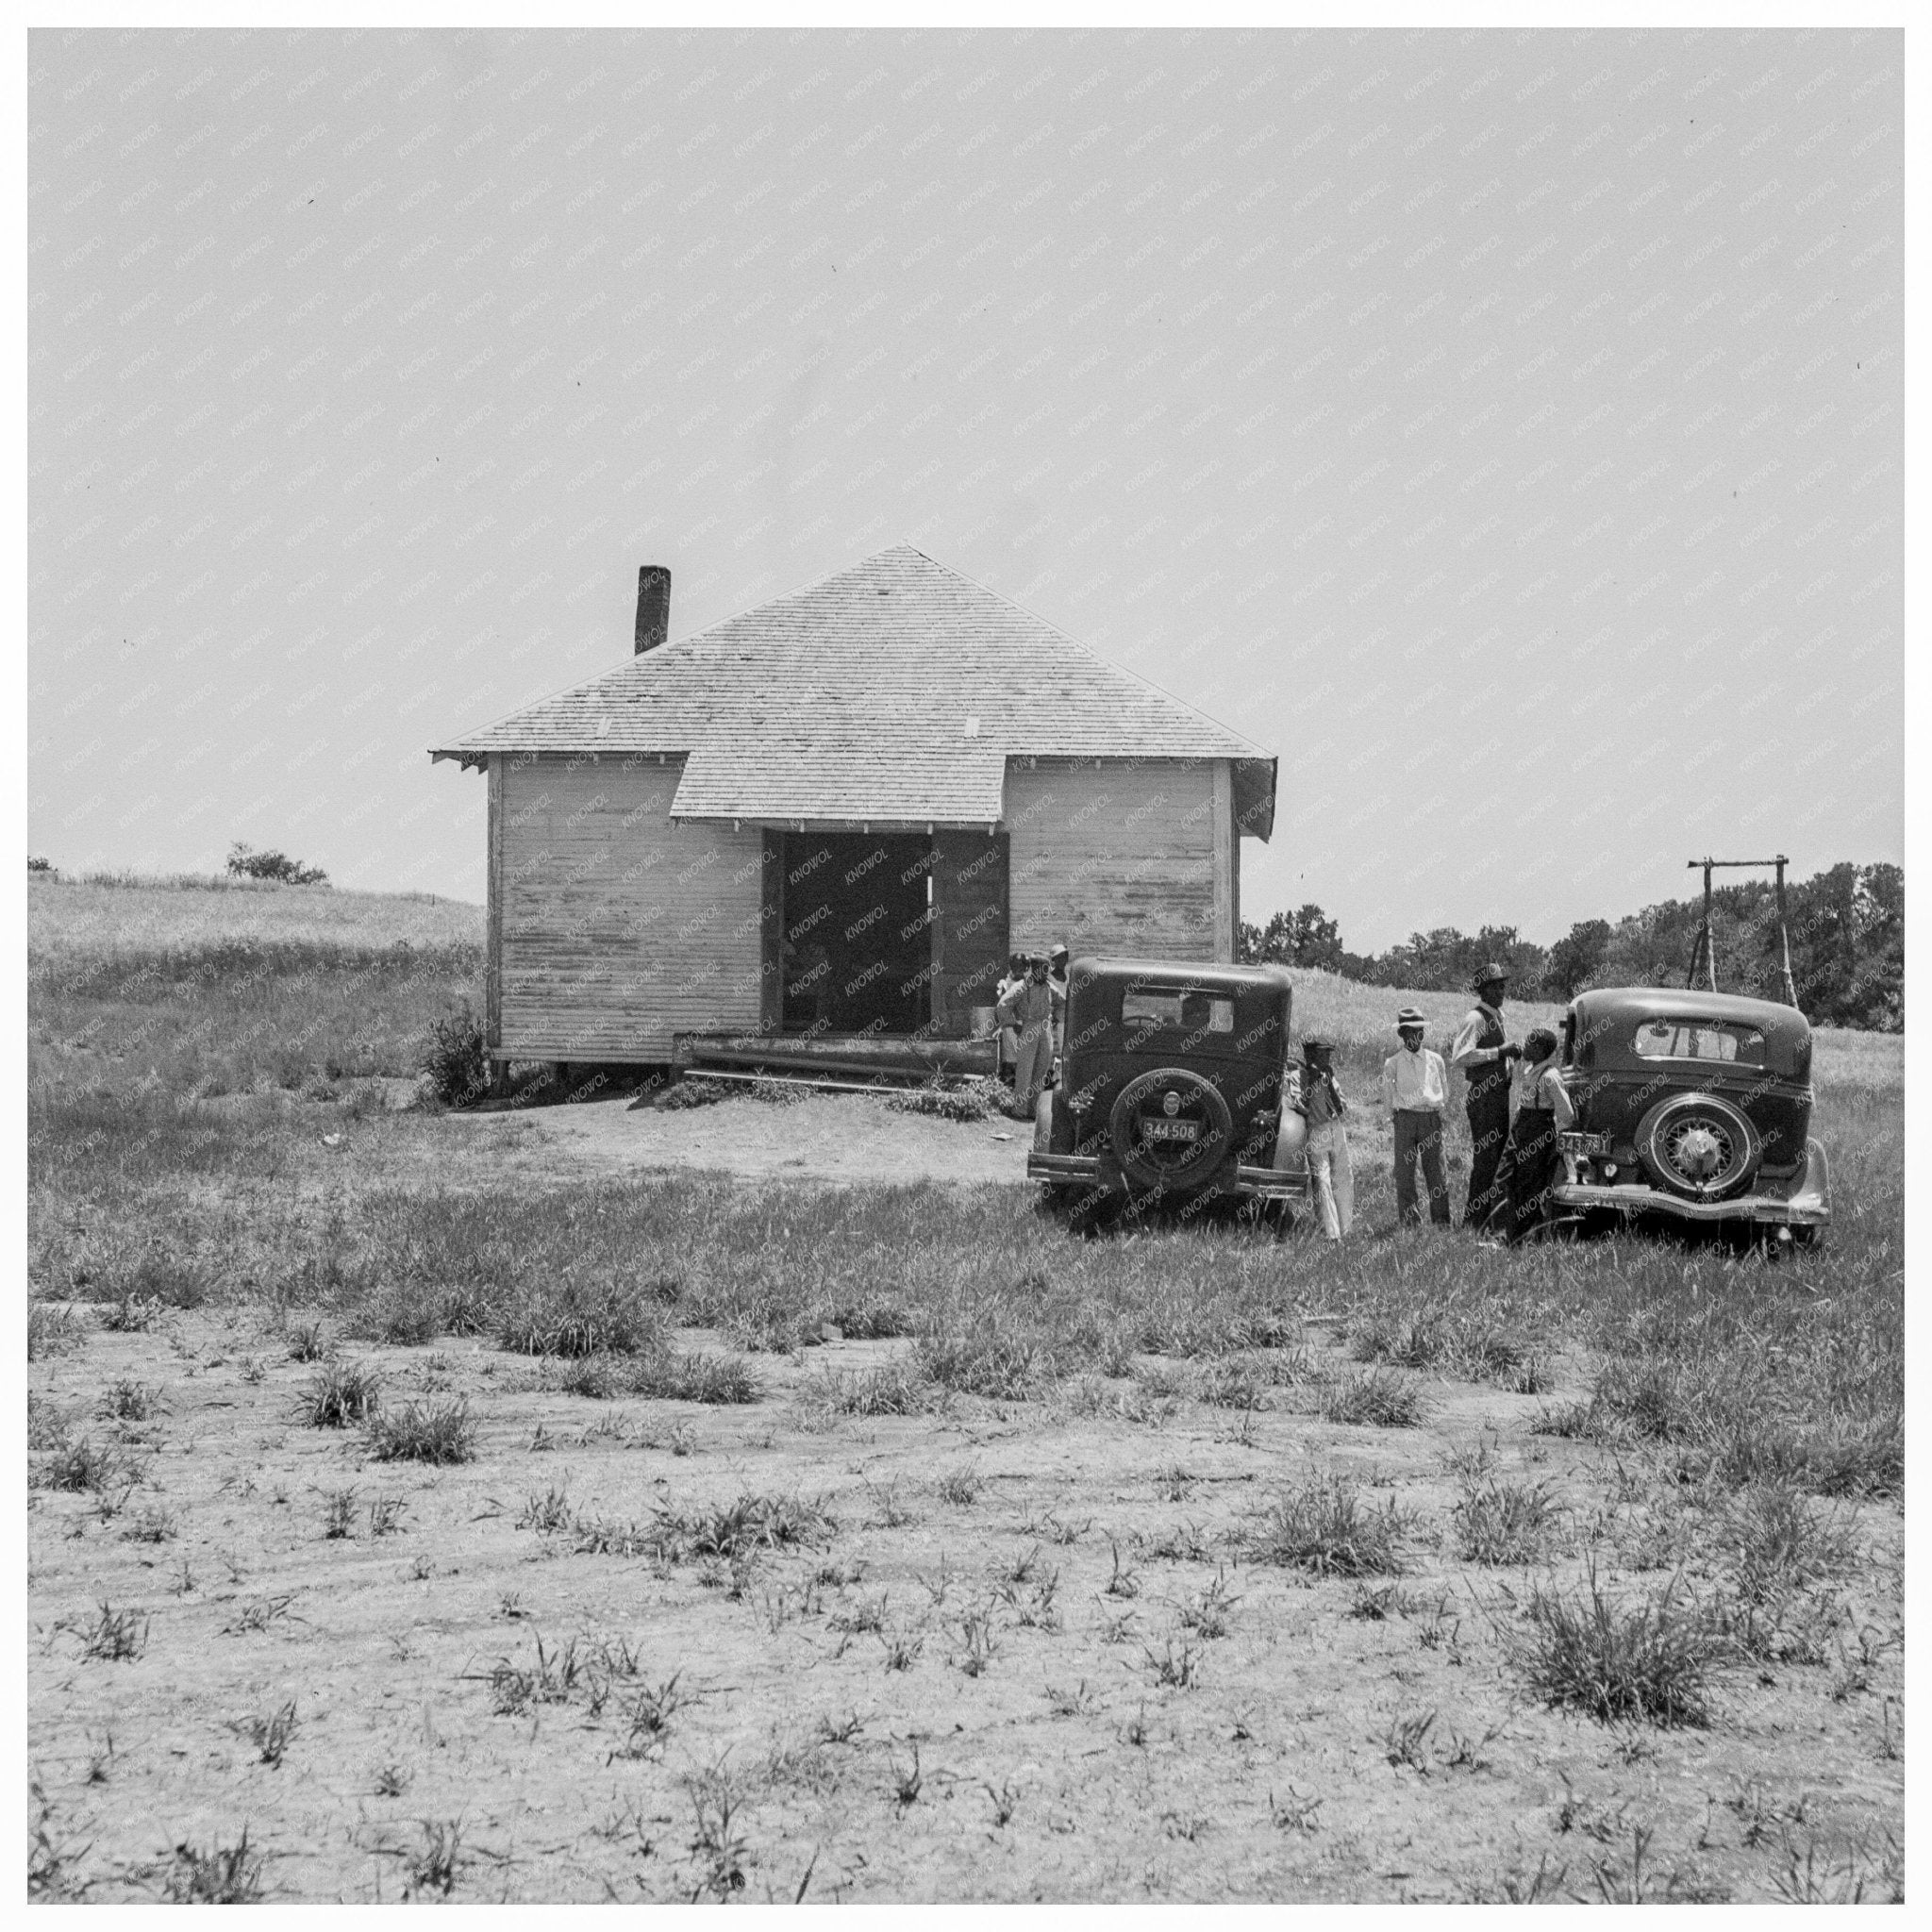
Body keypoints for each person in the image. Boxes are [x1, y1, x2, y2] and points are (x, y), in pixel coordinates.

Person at [1450, 963, 1522, 1230]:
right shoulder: (1475, 1018)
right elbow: (1460, 1057)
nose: (1501, 991)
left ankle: (1490, 1219)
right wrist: (1499, 1052)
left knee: (1497, 1159)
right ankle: (1474, 1220)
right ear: (1483, 990)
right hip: (1484, 1097)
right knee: (1486, 1160)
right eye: (1495, 986)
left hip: (1498, 1094)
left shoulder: (1498, 1016)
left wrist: (1510, 1059)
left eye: (1503, 986)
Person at [1492, 1026, 1574, 1244]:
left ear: (1539, 1049)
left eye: (1529, 1043)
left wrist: (1553, 1140)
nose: (1524, 1046)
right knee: (1504, 1177)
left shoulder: (1550, 1077)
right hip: (1521, 1128)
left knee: (1529, 1186)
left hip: (1537, 1131)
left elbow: (1567, 1114)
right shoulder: (1531, 1070)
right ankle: (1503, 1234)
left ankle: (1523, 1238)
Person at [1381, 1006, 1451, 1227]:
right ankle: (1410, 1221)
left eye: (1420, 1030)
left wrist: (1437, 1112)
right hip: (1405, 1119)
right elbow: (1388, 1094)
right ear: (1401, 1033)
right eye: (1410, 1031)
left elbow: (1444, 1091)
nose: (1416, 1036)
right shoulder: (1393, 1063)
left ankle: (1441, 1221)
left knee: (1436, 1171)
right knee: (1404, 1173)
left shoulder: (1435, 1060)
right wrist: (1394, 1118)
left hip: (1430, 1117)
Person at [1289, 1035, 1353, 1239]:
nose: (1327, 1058)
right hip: (1316, 1132)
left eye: (1328, 1054)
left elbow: (1341, 1108)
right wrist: (1311, 1081)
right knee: (1322, 1180)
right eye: (1323, 1054)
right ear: (1310, 1056)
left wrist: (1329, 1083)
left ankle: (1346, 1228)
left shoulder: (1328, 1075)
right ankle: (1330, 1233)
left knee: (1343, 1177)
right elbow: (1302, 1107)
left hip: (1335, 1128)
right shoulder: (1298, 1076)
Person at [997, 954, 1058, 1110]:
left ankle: (1033, 1110)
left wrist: (1057, 1018)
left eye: (1047, 971)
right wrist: (1012, 1023)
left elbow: (1063, 1002)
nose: (1046, 974)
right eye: (1043, 970)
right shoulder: (1022, 986)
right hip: (1029, 1027)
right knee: (1025, 1070)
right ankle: (1020, 1109)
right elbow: (1003, 1005)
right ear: (1035, 970)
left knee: (1042, 1068)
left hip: (1045, 1029)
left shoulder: (1049, 987)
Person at [993, 951, 1027, 1086]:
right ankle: (1009, 1083)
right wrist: (1011, 1024)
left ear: (1025, 968)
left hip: (1025, 1025)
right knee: (1010, 1058)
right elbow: (1001, 1007)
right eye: (1015, 966)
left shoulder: (1028, 984)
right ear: (1011, 967)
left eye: (1021, 966)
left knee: (1025, 1058)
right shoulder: (1005, 984)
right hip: (1010, 1026)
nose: (1018, 970)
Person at [1046, 943, 1071, 1056]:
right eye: (1059, 958)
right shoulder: (1048, 979)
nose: (1062, 961)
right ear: (1053, 960)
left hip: (1068, 1019)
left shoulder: (1069, 976)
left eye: (1064, 957)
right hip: (1055, 1020)